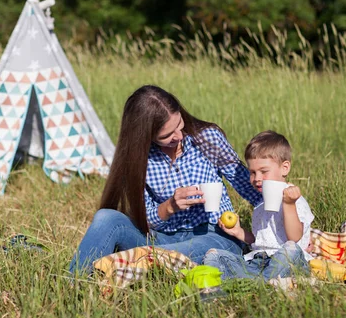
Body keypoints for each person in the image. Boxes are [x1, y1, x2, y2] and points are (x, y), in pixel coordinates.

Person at [69, 85, 262, 274]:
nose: (178, 136)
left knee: (168, 253)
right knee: (106, 217)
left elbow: (246, 183)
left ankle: (131, 262)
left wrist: (282, 207)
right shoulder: (139, 159)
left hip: (214, 235)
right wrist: (169, 206)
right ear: (146, 135)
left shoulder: (207, 138)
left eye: (179, 125)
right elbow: (142, 218)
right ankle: (75, 281)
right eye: (167, 135)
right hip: (161, 237)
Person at [203, 130, 314, 280]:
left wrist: (289, 205)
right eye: (252, 172)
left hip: (285, 259)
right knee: (214, 256)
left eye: (264, 171)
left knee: (290, 251)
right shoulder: (261, 203)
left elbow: (294, 238)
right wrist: (238, 233)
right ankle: (264, 281)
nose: (257, 178)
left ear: (284, 168)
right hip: (258, 261)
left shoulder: (294, 199)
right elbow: (261, 240)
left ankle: (254, 283)